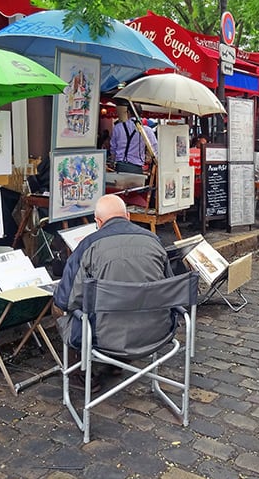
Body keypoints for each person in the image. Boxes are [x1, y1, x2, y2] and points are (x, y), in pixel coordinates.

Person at [53, 195, 172, 390]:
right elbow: (168, 286)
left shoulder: (88, 245)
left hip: (104, 336)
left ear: (98, 222)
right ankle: (114, 363)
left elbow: (66, 299)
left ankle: (78, 375)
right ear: (127, 216)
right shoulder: (153, 240)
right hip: (158, 331)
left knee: (59, 306)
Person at [110, 101, 158, 174]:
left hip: (120, 167)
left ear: (128, 112)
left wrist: (112, 163)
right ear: (141, 114)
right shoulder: (146, 130)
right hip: (136, 168)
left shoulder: (118, 127)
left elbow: (113, 149)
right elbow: (155, 149)